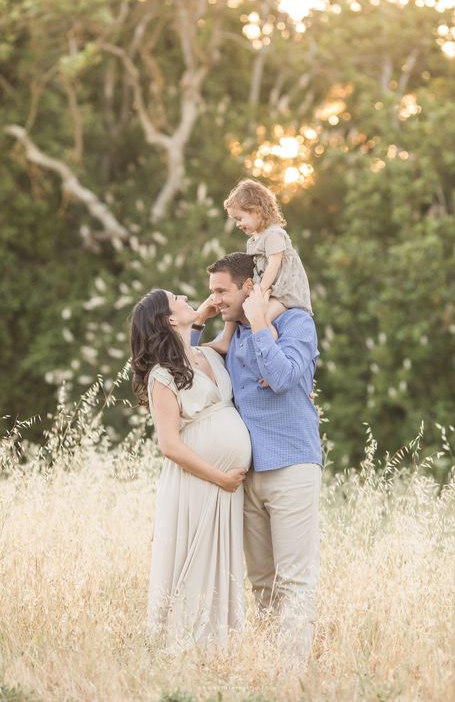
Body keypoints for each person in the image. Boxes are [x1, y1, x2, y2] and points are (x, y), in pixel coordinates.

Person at [194, 252, 322, 662]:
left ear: (249, 286)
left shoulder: (296, 323)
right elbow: (182, 366)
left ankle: (293, 672)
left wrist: (261, 322)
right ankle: (269, 665)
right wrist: (199, 320)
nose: (215, 300)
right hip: (246, 475)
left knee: (294, 579)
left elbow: (283, 378)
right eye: (211, 292)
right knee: (262, 580)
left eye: (220, 291)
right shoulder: (233, 337)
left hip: (292, 465)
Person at [129, 288, 251, 652]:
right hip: (198, 481)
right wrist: (219, 477)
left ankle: (218, 647)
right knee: (193, 560)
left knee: (219, 560)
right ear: (169, 318)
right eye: (175, 297)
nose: (185, 295)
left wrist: (218, 310)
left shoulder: (207, 354)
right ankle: (184, 647)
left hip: (226, 485)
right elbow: (169, 445)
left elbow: (231, 334)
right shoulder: (161, 376)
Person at [208, 179, 312, 354]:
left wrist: (261, 290)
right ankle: (226, 340)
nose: (238, 224)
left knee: (262, 318)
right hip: (267, 288)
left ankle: (272, 359)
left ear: (256, 211)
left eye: (239, 218)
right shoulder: (254, 240)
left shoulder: (274, 234)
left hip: (284, 292)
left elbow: (274, 264)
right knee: (238, 303)